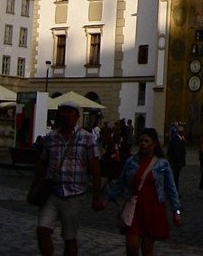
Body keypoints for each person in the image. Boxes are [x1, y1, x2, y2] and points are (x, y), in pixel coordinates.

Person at [29, 102, 105, 256]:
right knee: (42, 229)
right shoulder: (51, 137)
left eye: (70, 112)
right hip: (52, 193)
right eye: (63, 111)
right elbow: (42, 165)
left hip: (74, 194)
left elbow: (95, 168)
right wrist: (33, 190)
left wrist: (97, 196)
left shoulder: (87, 138)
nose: (66, 115)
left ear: (77, 116)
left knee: (69, 237)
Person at [107, 127, 183, 256]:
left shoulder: (162, 164)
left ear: (154, 144)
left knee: (147, 249)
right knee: (132, 246)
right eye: (141, 140)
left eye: (147, 141)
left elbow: (171, 188)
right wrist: (108, 198)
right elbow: (121, 182)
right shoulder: (131, 162)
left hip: (153, 208)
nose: (143, 143)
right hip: (134, 207)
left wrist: (176, 211)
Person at [165, 123, 186, 190]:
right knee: (174, 177)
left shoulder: (178, 139)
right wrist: (179, 162)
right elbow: (177, 152)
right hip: (174, 162)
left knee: (175, 177)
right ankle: (174, 191)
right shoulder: (176, 139)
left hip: (175, 162)